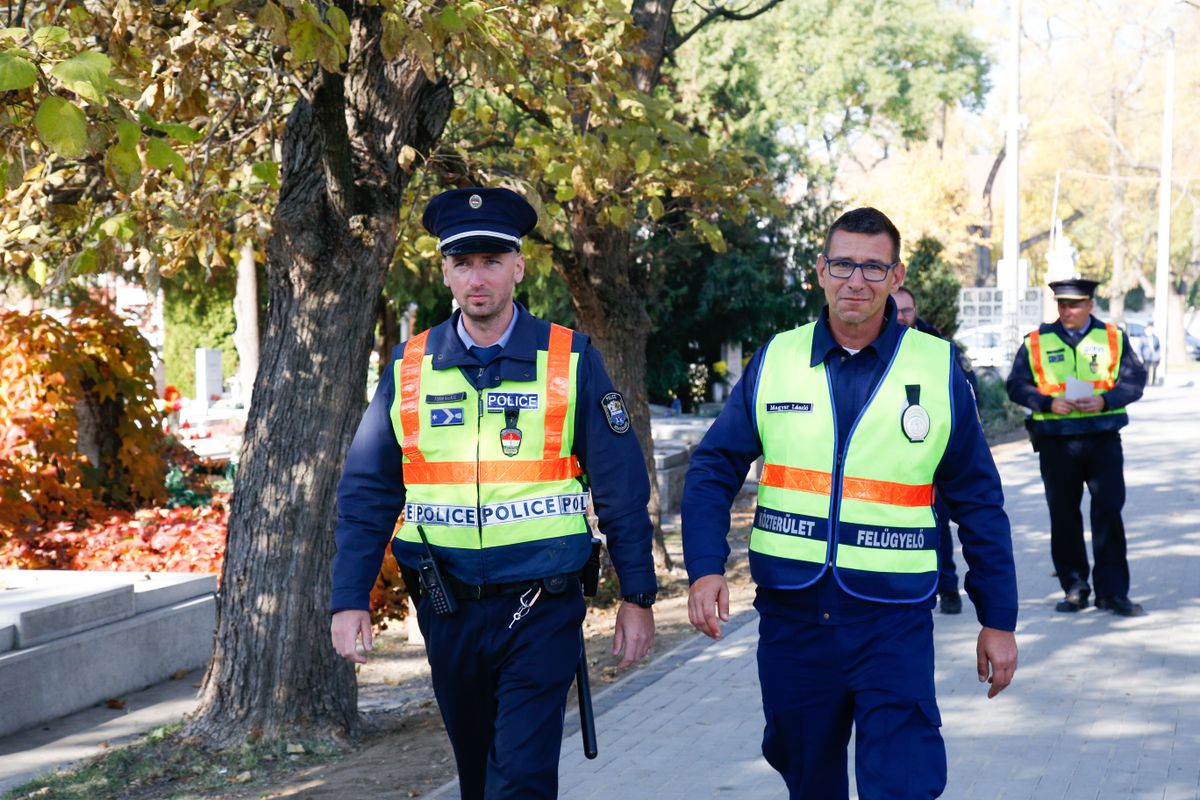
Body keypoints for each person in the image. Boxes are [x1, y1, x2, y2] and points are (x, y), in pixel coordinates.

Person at [330, 187, 657, 799]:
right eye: (462, 263)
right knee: (479, 776)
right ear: (445, 271)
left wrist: (637, 594)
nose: (476, 277)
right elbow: (366, 495)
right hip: (446, 606)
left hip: (543, 603)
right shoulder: (407, 367)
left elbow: (620, 487)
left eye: (491, 260)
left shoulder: (572, 359)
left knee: (523, 779)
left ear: (518, 267)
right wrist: (349, 598)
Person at [683, 208, 1018, 799]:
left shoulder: (935, 369)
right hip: (795, 617)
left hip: (893, 621)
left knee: (904, 783)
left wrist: (998, 618)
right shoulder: (778, 359)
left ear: (896, 275)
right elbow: (712, 467)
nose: (855, 280)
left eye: (872, 266)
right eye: (842, 264)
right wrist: (706, 568)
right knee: (806, 773)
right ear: (820, 271)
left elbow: (980, 501)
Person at [1006, 278, 1147, 617]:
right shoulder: (1037, 341)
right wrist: (1045, 402)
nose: (1066, 310)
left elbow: (1135, 379)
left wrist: (1105, 399)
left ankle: (1112, 592)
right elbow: (1015, 384)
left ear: (1090, 305)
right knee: (1064, 516)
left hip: (1103, 438)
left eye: (1074, 304)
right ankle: (1075, 588)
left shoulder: (1113, 338)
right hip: (1057, 442)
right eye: (1061, 304)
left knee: (1109, 511)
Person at [893, 285, 981, 616]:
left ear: (916, 312)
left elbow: (970, 398)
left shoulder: (939, 350)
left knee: (937, 524)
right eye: (895, 310)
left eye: (907, 311)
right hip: (890, 454)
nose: (901, 318)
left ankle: (948, 588)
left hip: (935, 453)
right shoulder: (874, 346)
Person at [1140, 322, 1161, 387]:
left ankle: (1153, 381)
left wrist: (1158, 354)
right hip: (1146, 356)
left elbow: (1158, 347)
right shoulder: (1143, 337)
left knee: (1154, 368)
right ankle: (1146, 382)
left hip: (1154, 356)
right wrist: (1140, 355)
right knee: (1146, 369)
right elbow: (1140, 347)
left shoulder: (1155, 338)